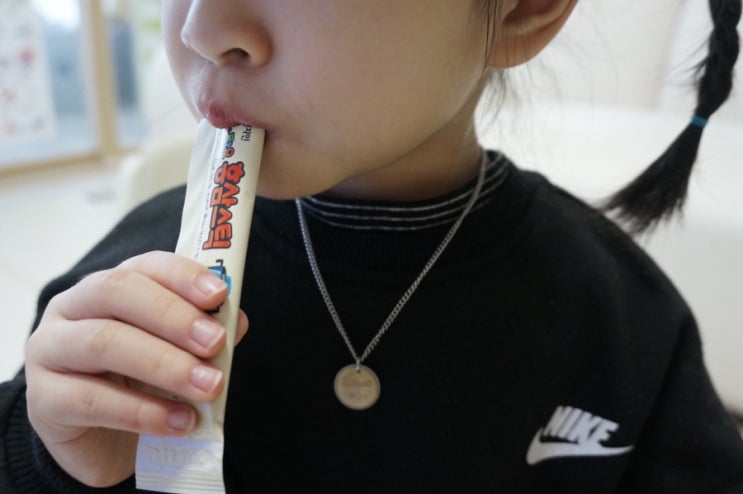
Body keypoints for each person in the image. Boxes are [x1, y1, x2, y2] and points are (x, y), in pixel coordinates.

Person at [1, 0, 742, 492]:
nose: (201, 26)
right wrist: (56, 462)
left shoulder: (624, 319)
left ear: (522, 7)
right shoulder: (132, 284)